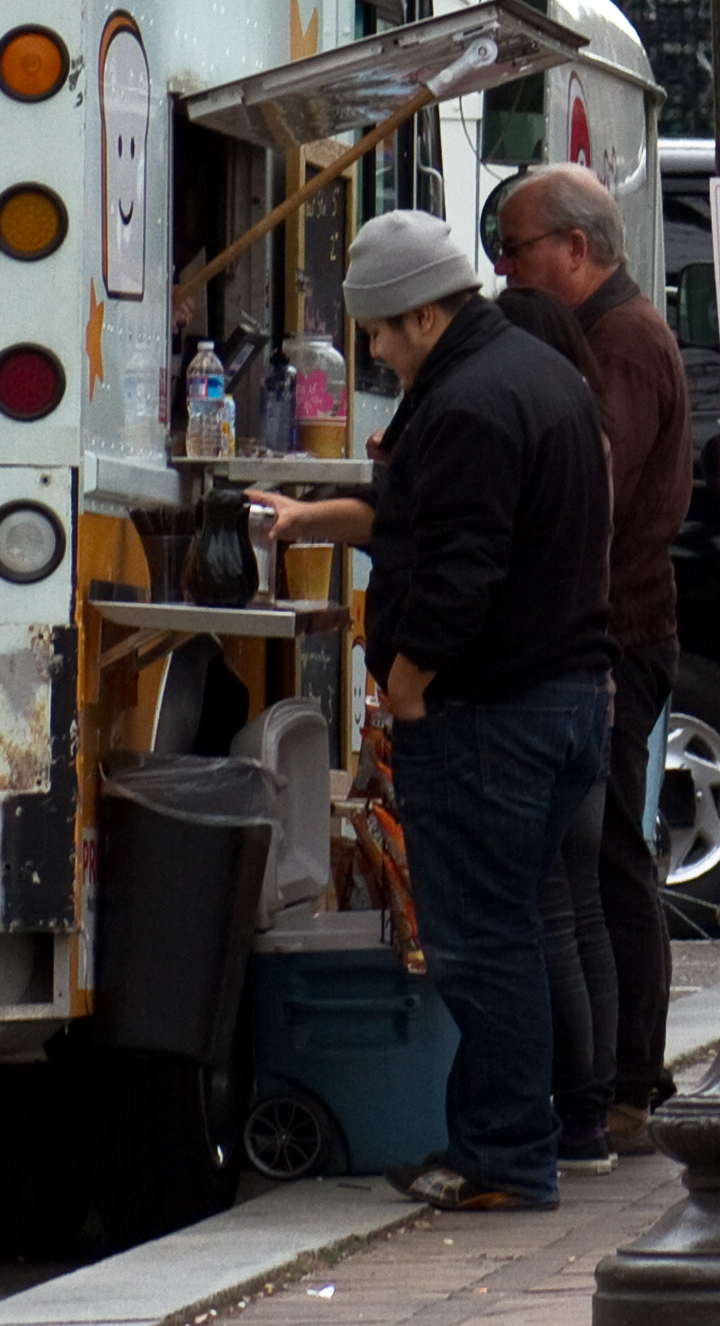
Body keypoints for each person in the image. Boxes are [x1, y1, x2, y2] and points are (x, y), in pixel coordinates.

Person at [248, 211, 609, 1213]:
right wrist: (313, 516)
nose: (372, 349)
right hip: (568, 700)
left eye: (377, 330)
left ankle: (503, 1157)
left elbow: (461, 570)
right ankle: (510, 1140)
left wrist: (404, 687)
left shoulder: (470, 403)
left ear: (418, 312)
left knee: (479, 944)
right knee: (513, 932)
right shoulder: (534, 379)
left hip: (491, 711)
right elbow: (426, 512)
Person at [487, 166, 692, 1159]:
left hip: (617, 634)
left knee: (609, 859)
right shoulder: (610, 337)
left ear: (575, 248)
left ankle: (626, 1079)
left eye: (514, 251)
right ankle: (617, 1077)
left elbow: (587, 496)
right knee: (598, 860)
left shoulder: (620, 344)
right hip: (611, 629)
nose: (503, 272)